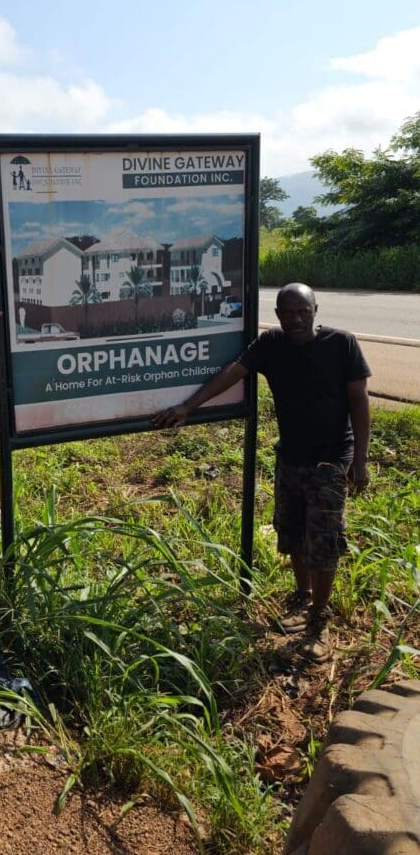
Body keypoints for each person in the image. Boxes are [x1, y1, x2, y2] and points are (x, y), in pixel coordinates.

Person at [153, 283, 370, 663]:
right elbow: (231, 374)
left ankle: (319, 620)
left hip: (331, 462)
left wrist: (360, 462)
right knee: (292, 533)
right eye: (287, 313)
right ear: (278, 315)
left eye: (303, 311)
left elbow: (359, 402)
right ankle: (302, 600)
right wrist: (188, 407)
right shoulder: (271, 345)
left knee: (323, 543)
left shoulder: (342, 344)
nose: (296, 319)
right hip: (290, 457)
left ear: (315, 309)